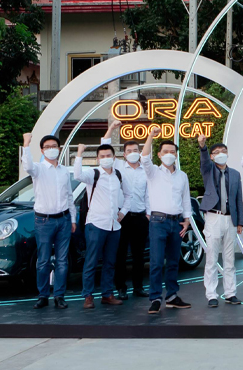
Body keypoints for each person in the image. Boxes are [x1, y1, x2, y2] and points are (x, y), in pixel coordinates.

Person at [21, 132, 77, 309]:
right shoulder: (38, 169)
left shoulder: (64, 171)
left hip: (64, 219)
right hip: (44, 221)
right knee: (43, 260)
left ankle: (59, 295)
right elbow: (27, 165)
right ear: (42, 150)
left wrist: (73, 219)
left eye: (54, 146)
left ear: (59, 149)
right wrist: (26, 143)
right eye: (47, 147)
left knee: (62, 261)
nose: (51, 149)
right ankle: (43, 295)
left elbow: (69, 196)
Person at [73, 143, 132, 309]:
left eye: (108, 156)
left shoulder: (119, 175)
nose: (106, 159)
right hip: (96, 224)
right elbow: (77, 175)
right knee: (91, 261)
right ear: (98, 159)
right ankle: (88, 296)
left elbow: (129, 195)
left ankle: (107, 294)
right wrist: (79, 153)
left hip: (114, 225)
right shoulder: (94, 174)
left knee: (110, 262)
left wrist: (123, 212)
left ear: (114, 157)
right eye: (102, 156)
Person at [141, 129, 193, 314]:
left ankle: (172, 297)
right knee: (156, 262)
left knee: (173, 261)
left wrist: (187, 220)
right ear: (159, 155)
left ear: (176, 155)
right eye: (165, 152)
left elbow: (185, 199)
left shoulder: (182, 176)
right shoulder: (153, 172)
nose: (169, 155)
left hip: (176, 222)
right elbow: (144, 158)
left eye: (172, 152)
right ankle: (155, 298)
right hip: (158, 221)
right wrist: (150, 136)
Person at [102, 120, 149, 300]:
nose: (133, 153)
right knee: (120, 254)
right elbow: (105, 147)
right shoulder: (118, 166)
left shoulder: (146, 170)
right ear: (124, 154)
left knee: (139, 255)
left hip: (141, 217)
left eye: (135, 150)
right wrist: (111, 128)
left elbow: (149, 194)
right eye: (129, 151)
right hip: (122, 217)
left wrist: (148, 213)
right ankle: (121, 288)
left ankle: (138, 287)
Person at [198, 133, 243, 308]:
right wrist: (203, 146)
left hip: (230, 219)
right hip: (213, 217)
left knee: (230, 258)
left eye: (223, 151)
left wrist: (240, 222)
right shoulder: (208, 170)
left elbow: (239, 199)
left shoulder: (235, 174)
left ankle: (230, 293)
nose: (220, 154)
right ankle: (211, 294)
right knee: (212, 257)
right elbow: (204, 160)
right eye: (216, 152)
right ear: (212, 156)